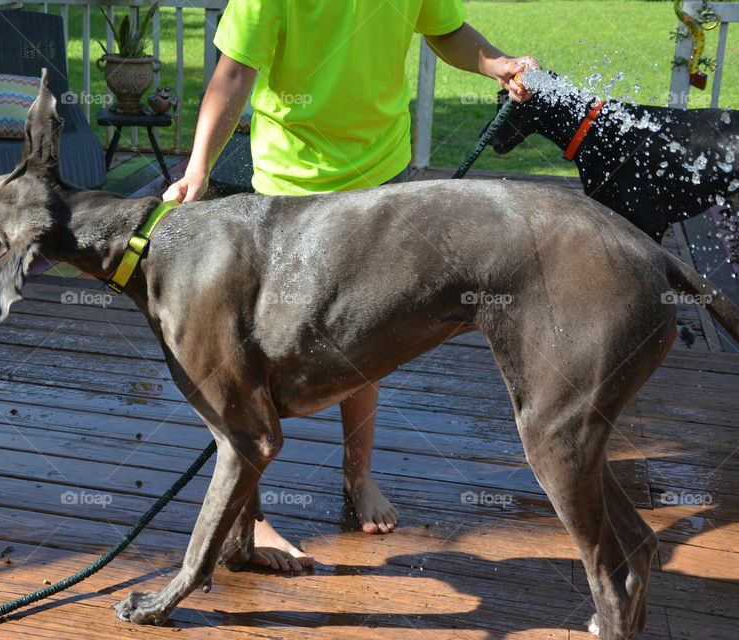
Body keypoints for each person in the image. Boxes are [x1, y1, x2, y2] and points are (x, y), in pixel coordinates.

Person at [164, 0, 537, 572]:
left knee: (368, 337)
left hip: (382, 178)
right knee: (257, 352)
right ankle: (252, 516)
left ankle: (358, 477)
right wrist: (197, 170)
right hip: (292, 186)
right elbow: (234, 71)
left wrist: (499, 64)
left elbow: (449, 31)